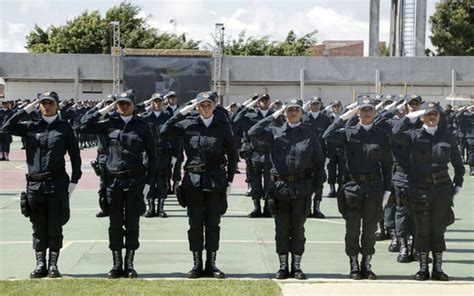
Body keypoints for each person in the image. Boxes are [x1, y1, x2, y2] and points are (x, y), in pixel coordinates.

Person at [2, 91, 82, 278]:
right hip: (35, 185)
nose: (47, 106)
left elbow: (75, 156)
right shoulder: (30, 126)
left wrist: (73, 183)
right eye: (43, 103)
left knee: (55, 224)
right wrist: (26, 110)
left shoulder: (64, 128)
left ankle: (53, 265)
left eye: (50, 103)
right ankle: (40, 264)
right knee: (38, 225)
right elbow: (5, 128)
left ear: (57, 105)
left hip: (57, 184)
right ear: (38, 105)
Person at [80, 90, 157, 279]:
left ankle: (129, 263)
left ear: (133, 105)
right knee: (114, 224)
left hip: (134, 180)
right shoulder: (108, 123)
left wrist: (148, 184)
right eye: (120, 103)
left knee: (132, 223)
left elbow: (152, 156)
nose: (123, 106)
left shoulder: (142, 126)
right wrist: (103, 109)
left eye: (126, 103)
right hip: (112, 181)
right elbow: (82, 126)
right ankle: (116, 264)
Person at [160, 91, 238, 279]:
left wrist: (229, 181)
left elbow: (233, 154)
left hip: (215, 181)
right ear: (197, 107)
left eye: (208, 105)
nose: (205, 108)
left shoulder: (222, 127)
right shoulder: (188, 125)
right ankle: (196, 264)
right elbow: (164, 131)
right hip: (193, 181)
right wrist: (183, 112)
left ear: (215, 106)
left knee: (213, 224)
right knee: (195, 224)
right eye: (201, 105)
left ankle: (211, 264)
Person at [248, 99, 325, 280]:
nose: (293, 113)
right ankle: (283, 266)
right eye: (289, 110)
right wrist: (273, 116)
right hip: (280, 189)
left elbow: (319, 164)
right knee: (281, 229)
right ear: (284, 112)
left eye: (296, 110)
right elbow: (253, 132)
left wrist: (315, 188)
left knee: (298, 229)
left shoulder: (309, 135)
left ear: (301, 113)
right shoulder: (274, 132)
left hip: (302, 189)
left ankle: (296, 267)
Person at [392, 101, 465, 281]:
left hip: (441, 190)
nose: (431, 118)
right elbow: (395, 134)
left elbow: (457, 163)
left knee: (438, 229)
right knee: (422, 229)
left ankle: (438, 268)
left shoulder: (447, 137)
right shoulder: (413, 135)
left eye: (435, 114)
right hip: (419, 189)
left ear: (439, 117)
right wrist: (409, 117)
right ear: (422, 117)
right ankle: (423, 268)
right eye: (428, 114)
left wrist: (458, 184)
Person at [323, 97, 392, 280]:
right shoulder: (348, 132)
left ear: (375, 112)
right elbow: (327, 135)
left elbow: (387, 164)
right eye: (363, 110)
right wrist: (344, 116)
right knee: (352, 229)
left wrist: (388, 190)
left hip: (374, 187)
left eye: (370, 110)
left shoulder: (382, 135)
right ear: (358, 112)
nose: (367, 113)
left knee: (370, 229)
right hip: (352, 186)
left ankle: (366, 264)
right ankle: (353, 263)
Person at [233, 94, 274, 217]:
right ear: (257, 102)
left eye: (266, 100)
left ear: (269, 101)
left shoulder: (275, 116)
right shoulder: (250, 115)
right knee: (255, 182)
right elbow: (235, 120)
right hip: (254, 153)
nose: (264, 102)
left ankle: (267, 208)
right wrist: (247, 105)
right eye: (261, 100)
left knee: (269, 182)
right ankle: (257, 207)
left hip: (270, 154)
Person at [81, 95, 117, 218]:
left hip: (117, 156)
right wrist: (98, 108)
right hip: (103, 157)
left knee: (117, 185)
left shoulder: (119, 119)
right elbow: (83, 122)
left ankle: (116, 208)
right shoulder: (100, 119)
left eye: (112, 103)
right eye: (107, 103)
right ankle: (105, 209)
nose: (110, 105)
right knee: (103, 186)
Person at [141, 93, 172, 218]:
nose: (157, 104)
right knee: (149, 180)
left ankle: (161, 208)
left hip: (163, 154)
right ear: (151, 103)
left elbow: (174, 137)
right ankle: (150, 207)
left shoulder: (167, 117)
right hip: (148, 155)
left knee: (162, 181)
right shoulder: (145, 118)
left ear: (163, 102)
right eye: (154, 101)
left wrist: (175, 154)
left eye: (159, 101)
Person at [302, 97, 331, 218]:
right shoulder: (304, 118)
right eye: (312, 104)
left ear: (321, 105)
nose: (314, 106)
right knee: (305, 181)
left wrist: (329, 155)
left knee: (319, 181)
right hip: (306, 156)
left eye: (317, 104)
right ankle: (307, 208)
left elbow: (330, 136)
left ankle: (317, 207)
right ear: (309, 105)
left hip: (320, 155)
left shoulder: (326, 119)